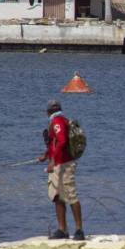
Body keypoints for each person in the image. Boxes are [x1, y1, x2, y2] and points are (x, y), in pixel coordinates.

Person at [37, 100, 84, 240]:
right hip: (58, 162)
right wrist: (46, 155)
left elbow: (62, 141)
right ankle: (62, 230)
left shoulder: (57, 121)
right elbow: (55, 143)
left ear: (47, 112)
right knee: (57, 196)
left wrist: (52, 160)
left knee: (70, 195)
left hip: (63, 164)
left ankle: (79, 230)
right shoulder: (61, 119)